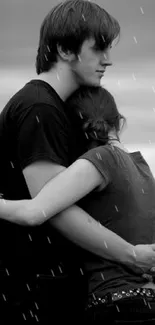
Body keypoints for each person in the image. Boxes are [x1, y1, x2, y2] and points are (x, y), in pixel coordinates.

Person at [1, 86, 155, 324]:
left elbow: (34, 212)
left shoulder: (99, 159)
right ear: (119, 121)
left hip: (115, 305)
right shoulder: (142, 167)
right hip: (148, 301)